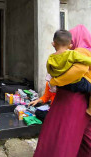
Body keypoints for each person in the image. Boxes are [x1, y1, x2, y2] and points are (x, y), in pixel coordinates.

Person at [34, 25, 91, 157]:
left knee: (62, 136)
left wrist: (56, 81)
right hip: (77, 101)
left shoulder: (79, 53)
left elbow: (74, 75)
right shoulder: (72, 53)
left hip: (73, 101)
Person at [47, 29, 91, 115]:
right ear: (70, 45)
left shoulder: (51, 58)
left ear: (53, 44)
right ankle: (90, 109)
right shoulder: (72, 54)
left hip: (62, 87)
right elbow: (86, 61)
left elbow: (50, 71)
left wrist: (57, 78)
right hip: (76, 83)